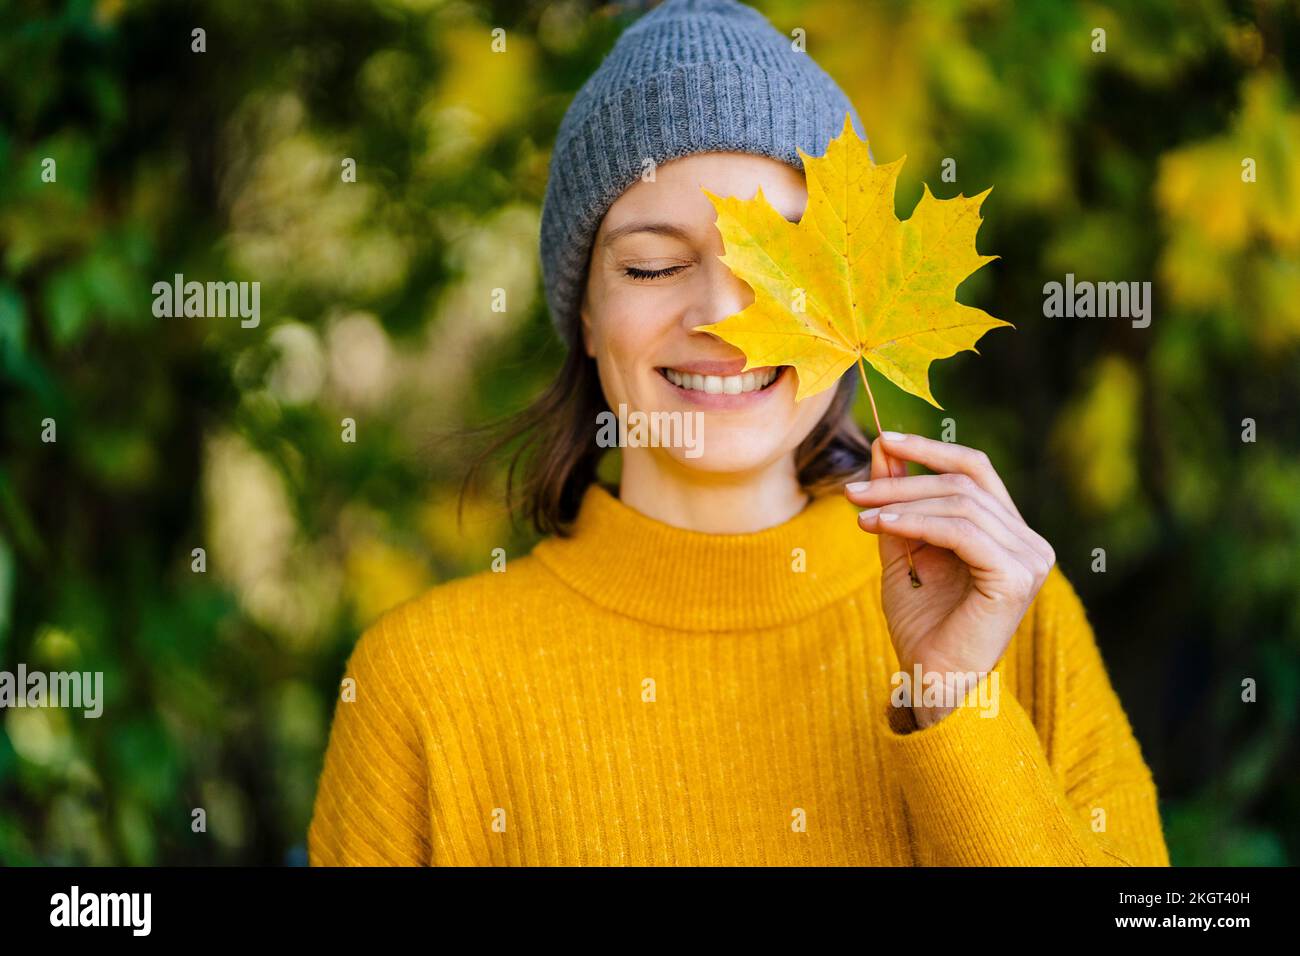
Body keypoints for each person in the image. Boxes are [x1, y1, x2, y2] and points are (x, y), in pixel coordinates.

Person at [308, 0, 1170, 866]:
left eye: (778, 260)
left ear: (854, 298)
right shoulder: (422, 683)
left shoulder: (1006, 613)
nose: (724, 316)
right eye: (654, 264)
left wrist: (954, 703)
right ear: (587, 315)